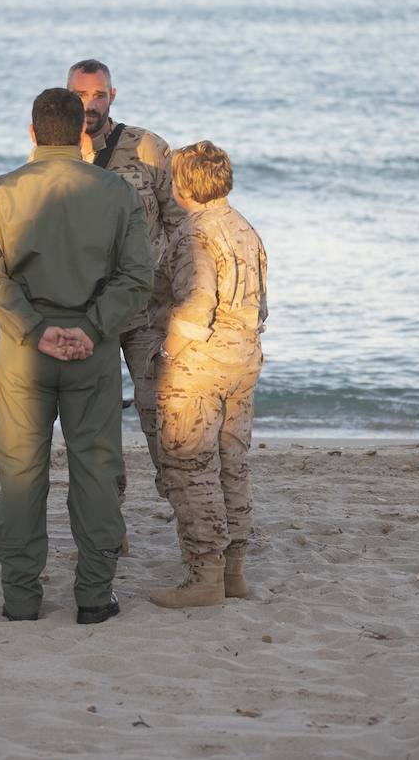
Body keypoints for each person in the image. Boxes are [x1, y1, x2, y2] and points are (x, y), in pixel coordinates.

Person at [0, 87, 153, 624]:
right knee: (96, 469)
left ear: (32, 133)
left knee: (21, 473)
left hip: (25, 352)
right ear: (81, 135)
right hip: (92, 351)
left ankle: (21, 599)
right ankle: (93, 597)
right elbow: (138, 276)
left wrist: (34, 328)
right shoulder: (116, 192)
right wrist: (90, 328)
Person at [147, 142, 268, 609]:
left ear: (182, 186)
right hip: (243, 360)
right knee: (232, 464)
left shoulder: (194, 233)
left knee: (190, 467)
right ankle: (234, 573)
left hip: (199, 366)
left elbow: (197, 304)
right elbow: (261, 306)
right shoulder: (244, 228)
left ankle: (204, 577)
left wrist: (168, 352)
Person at [67, 59, 183, 504]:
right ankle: (107, 520)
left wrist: (179, 296)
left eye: (98, 95)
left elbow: (180, 225)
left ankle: (183, 506)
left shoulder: (147, 147)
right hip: (89, 315)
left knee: (162, 414)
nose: (90, 105)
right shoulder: (54, 153)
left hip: (145, 312)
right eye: (80, 95)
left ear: (112, 96)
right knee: (97, 423)